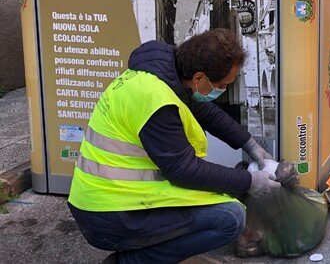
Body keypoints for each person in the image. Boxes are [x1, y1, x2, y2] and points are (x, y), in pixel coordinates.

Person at [68, 28, 281, 263]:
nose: (223, 90)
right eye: (222, 84)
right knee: (230, 218)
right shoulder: (155, 100)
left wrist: (250, 144)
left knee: (223, 193)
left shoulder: (166, 70)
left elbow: (206, 113)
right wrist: (250, 182)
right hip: (110, 215)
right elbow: (184, 171)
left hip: (116, 198)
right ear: (199, 78)